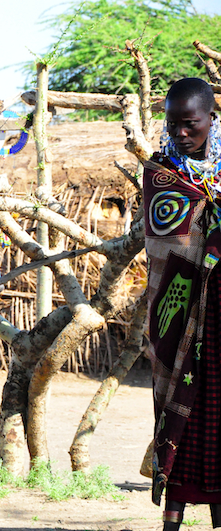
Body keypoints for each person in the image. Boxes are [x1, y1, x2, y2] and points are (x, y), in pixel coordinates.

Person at [143, 77, 221, 530]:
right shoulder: (160, 174)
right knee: (180, 408)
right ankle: (172, 517)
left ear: (211, 118)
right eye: (173, 125)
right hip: (180, 318)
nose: (180, 134)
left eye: (189, 124)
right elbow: (164, 248)